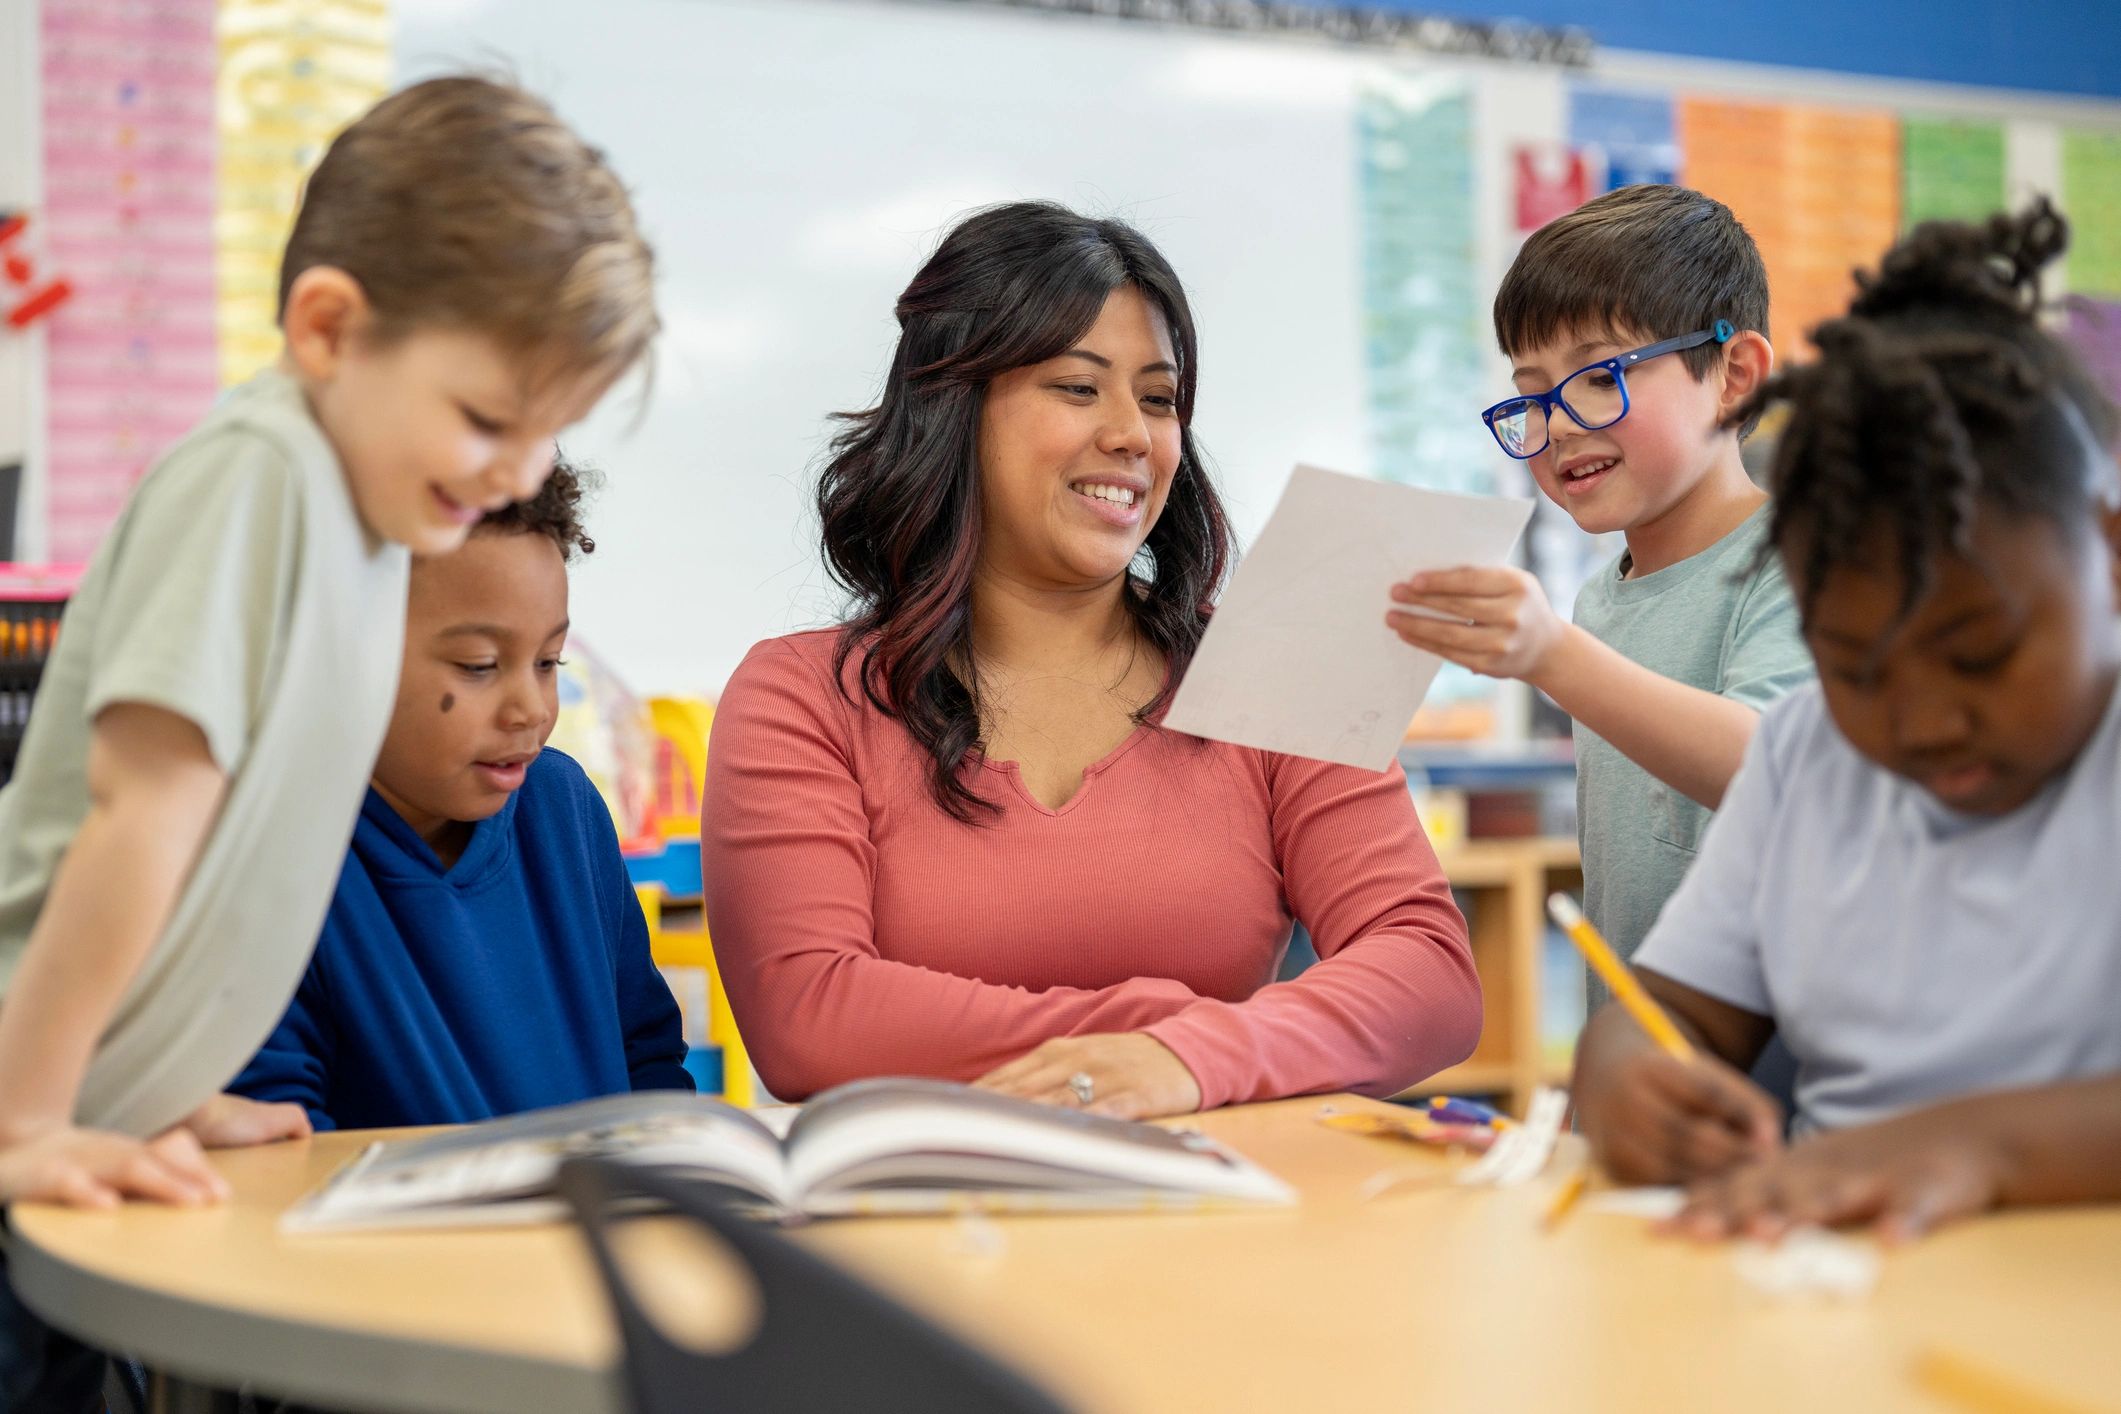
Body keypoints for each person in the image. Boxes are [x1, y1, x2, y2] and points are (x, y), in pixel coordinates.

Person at [0, 75, 656, 1412]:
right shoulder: (263, 478)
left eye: (546, 434)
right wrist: (27, 1118)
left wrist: (152, 1092)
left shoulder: (370, 519)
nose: (519, 471)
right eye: (486, 420)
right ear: (329, 328)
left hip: (91, 1109)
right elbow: (137, 816)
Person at [702, 202, 1479, 1120]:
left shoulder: (1281, 661)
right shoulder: (804, 695)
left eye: (1157, 399)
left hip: (1222, 1217)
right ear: (955, 407)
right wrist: (1159, 1032)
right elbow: (808, 1019)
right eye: (1079, 388)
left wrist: (1191, 1056)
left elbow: (1428, 976)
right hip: (919, 1226)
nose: (1132, 436)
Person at [1571, 201, 2121, 1241]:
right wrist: (1632, 1078)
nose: (1918, 719)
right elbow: (1672, 1013)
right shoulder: (1804, 757)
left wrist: (1978, 1148)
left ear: (2113, 557)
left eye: (1978, 653)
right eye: (1854, 666)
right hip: (1840, 1299)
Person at [1387, 185, 1812, 1005]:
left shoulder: (1805, 559)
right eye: (1532, 393)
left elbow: (1777, 766)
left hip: (1773, 1097)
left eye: (1598, 376)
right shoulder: (1598, 603)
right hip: (1634, 1077)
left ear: (1734, 376)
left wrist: (1552, 655)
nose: (1560, 425)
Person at [231, 458, 690, 1129]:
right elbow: (277, 1138)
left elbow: (647, 1060)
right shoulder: (268, 853)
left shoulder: (562, 805)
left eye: (548, 663)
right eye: (480, 667)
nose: (530, 709)